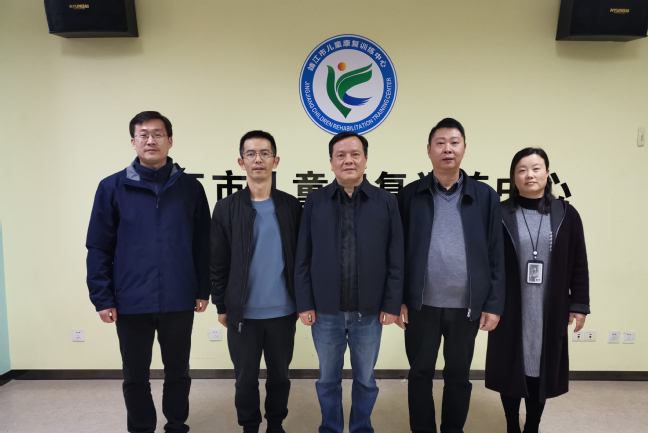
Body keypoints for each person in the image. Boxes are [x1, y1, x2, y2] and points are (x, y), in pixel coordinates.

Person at [86, 111, 211, 433]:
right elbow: (99, 247)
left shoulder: (190, 188)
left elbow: (202, 244)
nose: (151, 140)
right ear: (133, 142)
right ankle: (142, 428)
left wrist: (202, 289)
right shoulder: (112, 187)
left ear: (170, 140)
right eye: (143, 134)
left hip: (179, 297)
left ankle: (176, 424)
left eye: (158, 134)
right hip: (131, 299)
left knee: (178, 372)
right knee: (135, 375)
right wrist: (102, 297)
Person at [397, 118, 505, 433]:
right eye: (440, 143)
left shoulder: (485, 196)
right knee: (419, 374)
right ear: (429, 150)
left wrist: (493, 304)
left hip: (466, 307)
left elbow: (496, 254)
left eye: (454, 142)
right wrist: (397, 300)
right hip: (421, 305)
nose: (448, 149)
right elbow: (397, 253)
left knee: (458, 376)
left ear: (464, 148)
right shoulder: (410, 195)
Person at [294, 131, 404, 433]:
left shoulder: (386, 201)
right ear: (331, 162)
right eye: (340, 155)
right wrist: (304, 302)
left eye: (355, 154)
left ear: (366, 160)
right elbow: (303, 255)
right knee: (327, 380)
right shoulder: (315, 200)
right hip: (325, 311)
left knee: (366, 380)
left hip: (368, 312)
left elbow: (396, 257)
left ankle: (360, 428)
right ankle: (330, 427)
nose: (348, 160)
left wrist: (391, 304)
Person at [485, 148, 590, 433]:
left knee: (540, 368)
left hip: (550, 305)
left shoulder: (566, 214)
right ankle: (511, 424)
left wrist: (579, 304)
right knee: (509, 366)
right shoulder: (500, 213)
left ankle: (532, 424)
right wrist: (487, 303)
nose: (529, 175)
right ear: (513, 178)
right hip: (509, 305)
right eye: (521, 170)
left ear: (547, 173)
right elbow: (487, 261)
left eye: (535, 168)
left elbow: (578, 261)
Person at [210, 131, 302, 433]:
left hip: (283, 311)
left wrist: (303, 302)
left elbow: (302, 259)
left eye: (265, 153)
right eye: (251, 153)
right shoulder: (226, 208)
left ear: (276, 161)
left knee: (280, 377)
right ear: (241, 162)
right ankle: (249, 426)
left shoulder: (291, 206)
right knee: (245, 378)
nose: (258, 159)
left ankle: (275, 424)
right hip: (242, 314)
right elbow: (218, 262)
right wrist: (221, 304)